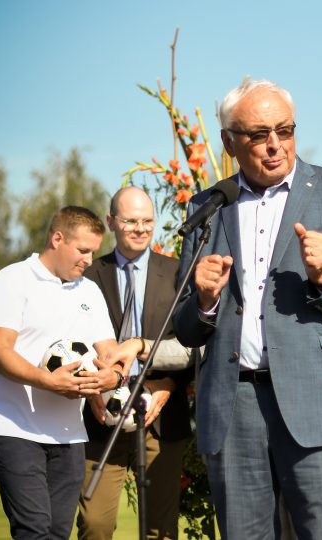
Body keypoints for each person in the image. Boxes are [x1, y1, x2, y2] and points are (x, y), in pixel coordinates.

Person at [172, 79, 322, 539]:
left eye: (285, 131)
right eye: (258, 134)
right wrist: (204, 302)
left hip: (320, 405)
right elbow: (184, 326)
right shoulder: (208, 205)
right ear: (229, 141)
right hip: (234, 407)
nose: (275, 146)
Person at [0, 206, 137, 539]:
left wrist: (115, 377)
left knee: (57, 532)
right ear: (57, 238)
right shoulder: (10, 281)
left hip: (68, 433)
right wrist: (49, 381)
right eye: (83, 250)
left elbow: (110, 353)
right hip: (13, 426)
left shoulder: (89, 292)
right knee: (33, 529)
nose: (89, 260)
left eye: (94, 251)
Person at [77, 187, 195, 540]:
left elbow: (196, 338)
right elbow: (73, 339)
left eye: (147, 221)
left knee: (161, 530)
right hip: (100, 418)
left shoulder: (179, 272)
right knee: (95, 524)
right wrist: (89, 392)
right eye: (130, 220)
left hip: (161, 415)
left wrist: (169, 385)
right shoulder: (89, 275)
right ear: (112, 221)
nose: (140, 229)